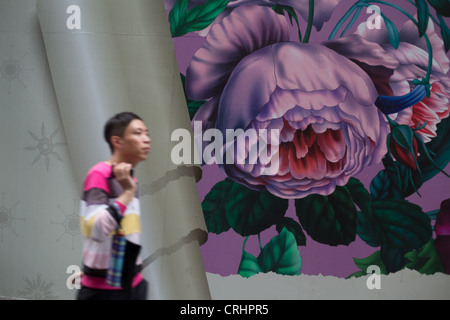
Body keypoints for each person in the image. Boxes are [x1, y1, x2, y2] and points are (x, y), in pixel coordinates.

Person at [76, 112, 151, 300]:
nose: (146, 139)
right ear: (117, 141)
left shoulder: (129, 179)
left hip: (130, 284)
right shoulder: (100, 174)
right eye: (138, 133)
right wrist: (126, 193)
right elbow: (97, 229)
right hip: (104, 291)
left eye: (146, 133)